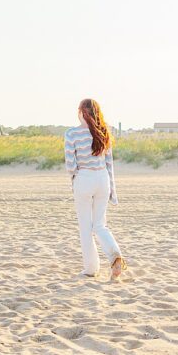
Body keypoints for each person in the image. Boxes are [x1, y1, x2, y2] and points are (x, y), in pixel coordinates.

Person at [64, 98, 126, 279]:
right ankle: (115, 255)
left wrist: (76, 178)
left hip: (84, 178)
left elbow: (70, 165)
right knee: (100, 224)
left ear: (81, 112)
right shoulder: (104, 131)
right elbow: (109, 164)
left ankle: (91, 269)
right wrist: (113, 192)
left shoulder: (71, 134)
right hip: (102, 179)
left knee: (85, 227)